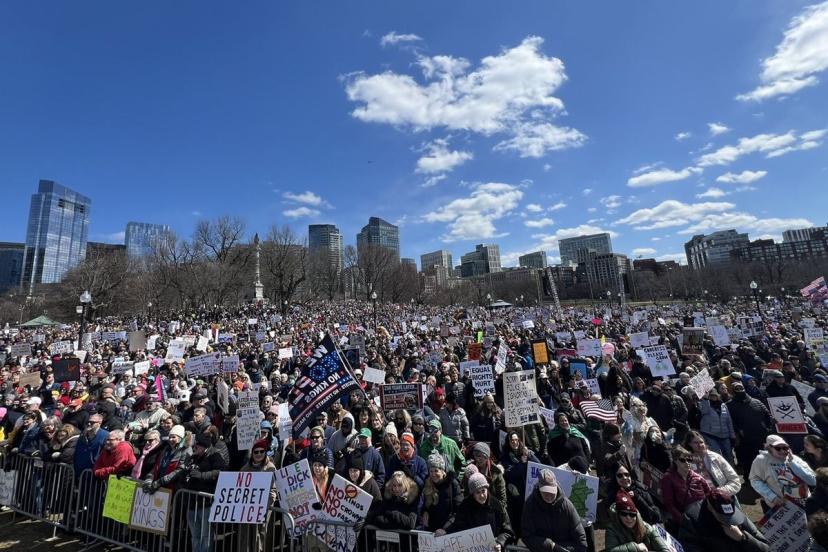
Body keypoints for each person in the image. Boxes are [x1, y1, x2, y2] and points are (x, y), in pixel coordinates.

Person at [439, 472, 514, 552]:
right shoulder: (465, 506)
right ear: (473, 494)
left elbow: (507, 530)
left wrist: (499, 542)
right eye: (478, 492)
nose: (482, 495)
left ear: (487, 489)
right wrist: (445, 530)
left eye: (483, 491)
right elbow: (457, 525)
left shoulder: (497, 505)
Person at [679, 489, 769, 552]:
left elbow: (765, 548)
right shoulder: (691, 520)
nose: (728, 521)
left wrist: (743, 538)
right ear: (710, 508)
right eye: (723, 517)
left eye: (731, 517)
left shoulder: (737, 514)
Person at [521, 469, 587, 552]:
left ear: (556, 487)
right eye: (545, 492)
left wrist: (562, 549)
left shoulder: (567, 506)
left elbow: (581, 540)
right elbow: (527, 535)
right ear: (539, 488)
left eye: (552, 492)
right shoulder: (530, 505)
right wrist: (550, 546)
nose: (549, 496)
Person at [750, 434, 816, 511]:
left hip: (804, 504)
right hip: (780, 507)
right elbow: (755, 480)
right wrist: (773, 497)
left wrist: (792, 463)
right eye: (778, 448)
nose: (782, 451)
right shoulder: (761, 460)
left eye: (785, 448)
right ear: (769, 448)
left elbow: (813, 481)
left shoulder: (795, 459)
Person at [237, 438, 277, 552]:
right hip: (246, 510)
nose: (259, 454)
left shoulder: (270, 468)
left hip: (263, 510)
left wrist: (265, 505)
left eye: (261, 451)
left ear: (265, 452)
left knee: (259, 537)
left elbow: (273, 490)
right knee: (245, 537)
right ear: (252, 453)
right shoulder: (245, 469)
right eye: (256, 452)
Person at [727, 381, 774, 475]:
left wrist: (768, 427)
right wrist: (738, 431)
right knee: (747, 459)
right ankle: (749, 477)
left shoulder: (756, 401)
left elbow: (767, 414)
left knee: (762, 456)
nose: (740, 390)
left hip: (759, 434)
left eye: (741, 387)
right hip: (744, 438)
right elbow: (729, 421)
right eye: (737, 388)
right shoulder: (729, 405)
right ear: (733, 391)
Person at [660, 445, 712, 526]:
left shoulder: (697, 477)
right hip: (687, 517)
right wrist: (683, 520)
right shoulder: (668, 478)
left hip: (704, 511)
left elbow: (709, 494)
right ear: (675, 461)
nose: (687, 462)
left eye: (689, 460)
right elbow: (669, 504)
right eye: (682, 460)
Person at [604, 490, 669, 552]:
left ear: (637, 516)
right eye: (624, 514)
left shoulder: (647, 528)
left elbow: (664, 549)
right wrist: (636, 547)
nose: (628, 518)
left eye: (632, 515)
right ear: (618, 515)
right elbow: (610, 550)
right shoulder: (612, 529)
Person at [684, 430, 741, 495]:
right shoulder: (686, 461)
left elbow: (735, 480)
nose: (699, 445)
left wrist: (721, 491)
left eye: (701, 442)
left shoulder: (716, 457)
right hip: (699, 498)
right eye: (695, 443)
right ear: (689, 444)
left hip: (722, 495)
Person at [422, 453, 462, 532]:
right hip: (431, 530)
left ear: (442, 471)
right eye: (431, 471)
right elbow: (424, 505)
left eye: (436, 471)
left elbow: (459, 510)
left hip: (449, 530)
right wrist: (425, 512)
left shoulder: (452, 484)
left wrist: (445, 528)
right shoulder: (427, 484)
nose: (433, 474)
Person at [698, 390, 736, 464]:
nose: (714, 397)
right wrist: (705, 399)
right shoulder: (704, 404)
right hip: (711, 435)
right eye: (711, 395)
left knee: (729, 455)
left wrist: (732, 435)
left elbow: (729, 421)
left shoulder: (723, 405)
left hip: (725, 435)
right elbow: (703, 411)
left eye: (715, 395)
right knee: (716, 456)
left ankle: (732, 470)